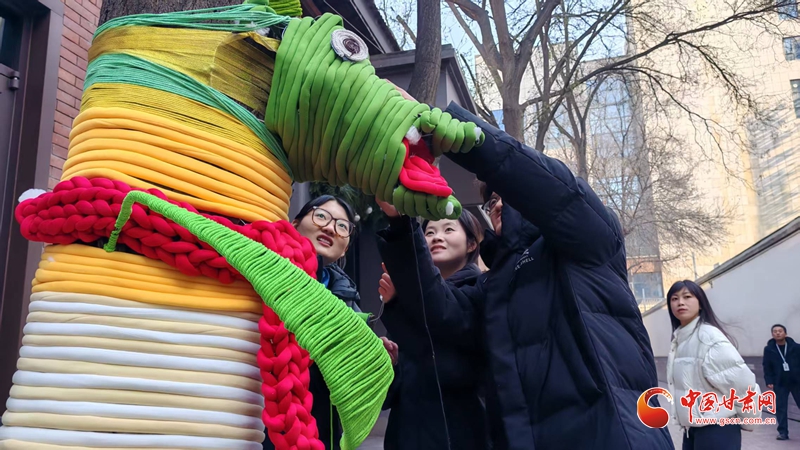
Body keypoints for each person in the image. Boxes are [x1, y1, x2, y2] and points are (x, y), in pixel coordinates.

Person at [386, 90, 672, 449]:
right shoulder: (492, 284)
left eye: (504, 195)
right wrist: (399, 225)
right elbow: (440, 310)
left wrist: (447, 129)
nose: (496, 205)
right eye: (490, 200)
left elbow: (554, 193)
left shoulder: (583, 240)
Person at [263, 195, 398, 449]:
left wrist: (373, 358)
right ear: (294, 224)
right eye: (321, 216)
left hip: (320, 433)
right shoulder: (264, 270)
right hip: (262, 421)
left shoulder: (348, 300)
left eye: (342, 226)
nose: (329, 228)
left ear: (345, 248)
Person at [375, 204, 488, 450]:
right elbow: (388, 396)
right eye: (429, 232)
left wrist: (397, 305)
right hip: (405, 437)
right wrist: (387, 364)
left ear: (471, 244)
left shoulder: (481, 290)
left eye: (449, 229)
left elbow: (442, 325)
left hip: (461, 437)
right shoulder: (409, 303)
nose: (437, 237)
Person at [666, 280, 760, 450]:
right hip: (693, 428)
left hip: (717, 428)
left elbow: (742, 383)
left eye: (687, 297)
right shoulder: (681, 339)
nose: (680, 302)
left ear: (701, 304)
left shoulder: (708, 337)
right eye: (674, 299)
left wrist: (749, 420)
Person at [763, 324, 800, 440]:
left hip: (796, 381)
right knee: (781, 407)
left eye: (780, 331)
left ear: (785, 333)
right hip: (780, 382)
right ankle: (783, 432)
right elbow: (767, 366)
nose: (778, 333)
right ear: (772, 334)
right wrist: (769, 380)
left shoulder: (796, 347)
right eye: (775, 331)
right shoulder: (769, 349)